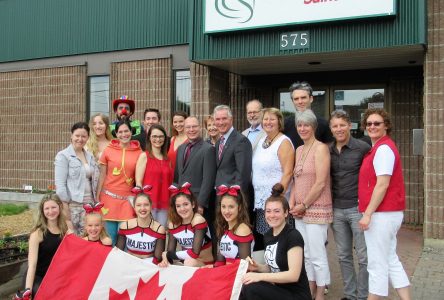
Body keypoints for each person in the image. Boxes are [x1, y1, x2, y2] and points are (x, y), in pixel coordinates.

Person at [358, 108, 411, 300]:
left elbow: (382, 185)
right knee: (390, 259)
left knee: (376, 263)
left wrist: (368, 213)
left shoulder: (383, 149)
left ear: (386, 125)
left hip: (382, 215)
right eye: (369, 123)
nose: (372, 126)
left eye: (377, 123)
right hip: (386, 214)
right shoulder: (379, 148)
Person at [289, 109, 333, 300]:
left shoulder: (321, 148)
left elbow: (321, 182)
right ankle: (309, 289)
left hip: (315, 208)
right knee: (305, 254)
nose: (302, 128)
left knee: (317, 255)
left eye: (306, 125)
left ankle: (320, 293)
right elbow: (295, 180)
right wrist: (292, 204)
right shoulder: (299, 150)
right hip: (299, 211)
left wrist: (304, 204)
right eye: (300, 125)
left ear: (314, 126)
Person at [241, 183, 311, 300]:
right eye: (268, 211)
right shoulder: (268, 235)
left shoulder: (293, 236)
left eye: (276, 211)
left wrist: (260, 277)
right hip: (279, 291)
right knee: (246, 283)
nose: (272, 215)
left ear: (285, 213)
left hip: (296, 295)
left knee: (251, 288)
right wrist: (258, 268)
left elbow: (293, 275)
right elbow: (273, 267)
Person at [329, 110, 371, 300]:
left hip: (357, 209)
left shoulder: (363, 148)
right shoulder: (327, 150)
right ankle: (350, 294)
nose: (339, 129)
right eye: (335, 126)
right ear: (331, 129)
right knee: (344, 255)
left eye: (342, 125)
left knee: (363, 257)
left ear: (350, 125)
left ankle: (362, 296)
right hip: (336, 210)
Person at [252, 108, 294, 249]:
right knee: (265, 239)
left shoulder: (283, 142)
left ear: (279, 122)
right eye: (265, 119)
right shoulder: (262, 140)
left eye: (272, 119)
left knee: (278, 241)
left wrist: (277, 198)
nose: (268, 122)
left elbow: (288, 173)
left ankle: (282, 269)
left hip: (275, 202)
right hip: (261, 202)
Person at [97, 119, 142, 245]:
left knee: (126, 239)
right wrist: (97, 196)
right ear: (116, 134)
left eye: (126, 131)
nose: (124, 134)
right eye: (120, 132)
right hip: (107, 200)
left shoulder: (139, 153)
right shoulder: (108, 150)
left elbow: (139, 179)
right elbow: (102, 175)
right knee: (109, 239)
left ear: (131, 132)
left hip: (127, 201)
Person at [16, 194, 69, 299]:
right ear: (42, 211)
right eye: (47, 208)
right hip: (38, 277)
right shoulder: (37, 234)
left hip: (57, 277)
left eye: (53, 207)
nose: (50, 211)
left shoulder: (67, 227)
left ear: (60, 207)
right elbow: (32, 265)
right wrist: (28, 291)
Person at [55, 122, 99, 235]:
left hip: (90, 205)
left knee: (88, 239)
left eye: (84, 136)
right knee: (75, 240)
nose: (80, 139)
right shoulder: (63, 156)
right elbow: (60, 187)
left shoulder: (89, 156)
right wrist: (66, 213)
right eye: (77, 136)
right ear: (71, 136)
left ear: (88, 137)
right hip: (74, 206)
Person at [159, 183, 213, 267]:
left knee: (189, 262)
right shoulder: (173, 224)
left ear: (193, 204)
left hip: (205, 264)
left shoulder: (198, 220)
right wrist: (166, 260)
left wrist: (167, 254)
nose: (182, 209)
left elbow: (194, 253)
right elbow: (170, 252)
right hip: (186, 263)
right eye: (178, 206)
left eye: (186, 204)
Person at [174, 116, 216, 216]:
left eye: (194, 126)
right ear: (184, 129)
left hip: (197, 202)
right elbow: (177, 176)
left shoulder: (208, 149)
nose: (191, 130)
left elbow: (208, 180)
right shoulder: (181, 148)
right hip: (182, 203)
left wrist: (200, 204)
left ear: (200, 127)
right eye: (188, 127)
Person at [135, 124, 173, 227]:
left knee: (161, 234)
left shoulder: (168, 160)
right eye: (154, 136)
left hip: (165, 205)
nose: (158, 139)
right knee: (148, 234)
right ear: (149, 138)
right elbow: (138, 182)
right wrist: (140, 203)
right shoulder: (144, 156)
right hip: (148, 204)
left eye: (161, 136)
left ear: (165, 138)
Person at [117, 191, 166, 264]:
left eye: (146, 205)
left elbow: (158, 258)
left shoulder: (159, 229)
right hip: (129, 263)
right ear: (134, 207)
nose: (142, 208)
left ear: (151, 206)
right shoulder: (125, 226)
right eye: (138, 205)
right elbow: (119, 252)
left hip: (148, 266)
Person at [214, 105, 252, 198]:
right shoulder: (219, 141)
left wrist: (236, 197)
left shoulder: (241, 141)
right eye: (218, 119)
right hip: (220, 194)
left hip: (233, 197)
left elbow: (243, 173)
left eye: (224, 118)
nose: (221, 122)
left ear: (231, 119)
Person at [283, 81, 333, 148]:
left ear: (311, 99)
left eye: (303, 98)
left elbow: (329, 149)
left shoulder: (323, 123)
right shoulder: (285, 123)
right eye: (296, 99)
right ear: (293, 101)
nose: (300, 102)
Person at [214, 185, 253, 266]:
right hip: (225, 272)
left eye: (231, 207)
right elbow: (220, 262)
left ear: (239, 207)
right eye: (223, 206)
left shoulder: (242, 229)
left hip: (238, 276)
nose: (226, 211)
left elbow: (244, 266)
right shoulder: (224, 227)